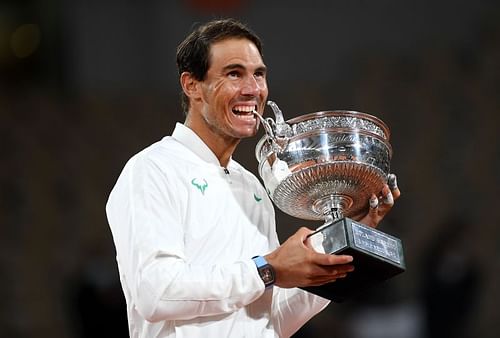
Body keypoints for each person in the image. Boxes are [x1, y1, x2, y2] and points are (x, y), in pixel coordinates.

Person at [106, 18, 400, 337]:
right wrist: (267, 268)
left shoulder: (252, 187)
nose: (252, 89)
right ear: (192, 85)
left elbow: (273, 320)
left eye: (259, 74)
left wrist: (344, 236)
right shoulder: (153, 170)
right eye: (234, 73)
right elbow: (156, 293)